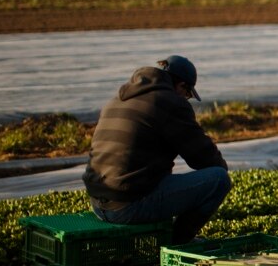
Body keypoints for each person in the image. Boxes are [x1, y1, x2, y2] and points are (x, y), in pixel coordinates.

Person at [82, 55, 232, 245]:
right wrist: (221, 166)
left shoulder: (118, 99)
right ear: (181, 85)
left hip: (97, 202)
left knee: (159, 177)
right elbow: (203, 158)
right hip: (127, 207)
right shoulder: (170, 102)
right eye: (187, 94)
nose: (186, 99)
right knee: (218, 179)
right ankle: (180, 242)